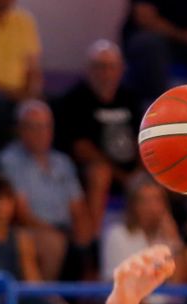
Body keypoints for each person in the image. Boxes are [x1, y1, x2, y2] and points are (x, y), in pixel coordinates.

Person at [0, 99, 91, 282]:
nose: (41, 133)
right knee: (53, 243)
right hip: (29, 229)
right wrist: (56, 232)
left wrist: (83, 236)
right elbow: (21, 212)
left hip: (65, 230)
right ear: (20, 130)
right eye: (33, 127)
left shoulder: (63, 162)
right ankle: (43, 303)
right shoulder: (10, 161)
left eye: (45, 127)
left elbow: (78, 207)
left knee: (90, 242)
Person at [54, 40, 140, 228]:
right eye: (100, 67)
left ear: (120, 69)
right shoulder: (74, 99)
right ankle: (92, 242)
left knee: (160, 173)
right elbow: (81, 149)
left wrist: (141, 171)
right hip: (90, 172)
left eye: (111, 67)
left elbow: (141, 138)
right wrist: (123, 177)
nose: (106, 73)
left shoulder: (129, 98)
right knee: (100, 173)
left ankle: (168, 243)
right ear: (88, 69)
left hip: (129, 170)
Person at [100, 173, 183, 304]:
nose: (152, 207)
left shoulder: (164, 237)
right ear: (133, 205)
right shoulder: (118, 235)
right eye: (145, 201)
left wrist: (174, 241)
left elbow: (179, 283)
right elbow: (119, 286)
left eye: (157, 200)